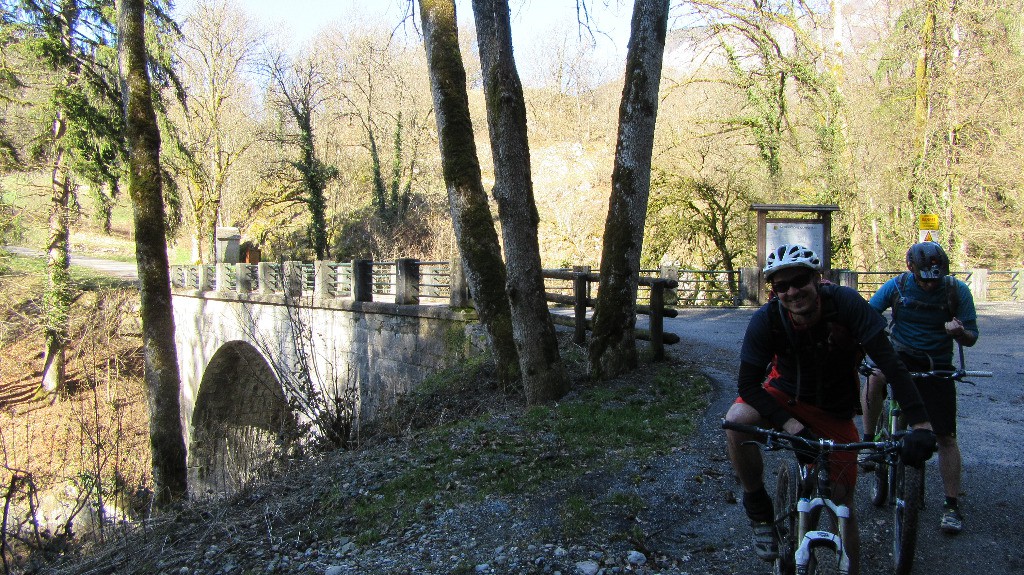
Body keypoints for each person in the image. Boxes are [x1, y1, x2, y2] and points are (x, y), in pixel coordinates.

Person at [724, 244, 936, 575]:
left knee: (842, 503)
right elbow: (748, 386)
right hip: (784, 398)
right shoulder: (767, 320)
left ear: (817, 279)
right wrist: (793, 428)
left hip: (834, 412)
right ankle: (758, 507)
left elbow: (890, 363)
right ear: (774, 291)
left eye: (800, 281)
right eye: (782, 286)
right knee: (736, 422)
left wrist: (921, 424)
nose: (793, 291)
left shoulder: (846, 305)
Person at [859, 241, 978, 534]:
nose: (929, 284)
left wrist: (960, 331)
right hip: (899, 355)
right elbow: (869, 313)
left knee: (946, 436)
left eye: (934, 278)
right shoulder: (897, 286)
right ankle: (870, 441)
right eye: (924, 278)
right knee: (875, 376)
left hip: (937, 362)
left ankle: (951, 505)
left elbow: (972, 336)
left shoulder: (956, 290)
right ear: (911, 268)